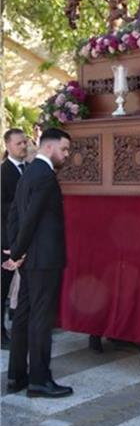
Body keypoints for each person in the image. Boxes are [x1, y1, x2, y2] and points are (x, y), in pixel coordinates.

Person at [3, 128, 73, 398]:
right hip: (44, 259)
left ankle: (16, 376)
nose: (66, 155)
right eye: (64, 150)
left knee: (23, 315)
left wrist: (16, 251)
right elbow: (29, 219)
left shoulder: (29, 172)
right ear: (49, 147)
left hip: (31, 258)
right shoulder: (44, 176)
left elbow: (15, 217)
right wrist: (15, 253)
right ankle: (39, 381)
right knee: (40, 320)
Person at [1, 128, 28, 348]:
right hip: (7, 241)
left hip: (26, 238)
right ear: (8, 145)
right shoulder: (3, 173)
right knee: (2, 287)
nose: (23, 146)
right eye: (19, 143)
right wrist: (7, 244)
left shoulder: (29, 169)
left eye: (25, 142)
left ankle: (21, 324)